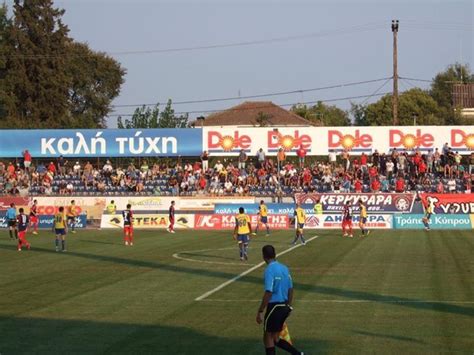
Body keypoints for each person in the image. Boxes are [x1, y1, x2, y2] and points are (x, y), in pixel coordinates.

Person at [256, 245, 303, 355]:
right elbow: (291, 288)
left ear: (263, 256)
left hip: (274, 307)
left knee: (268, 337)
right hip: (284, 306)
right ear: (275, 254)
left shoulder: (269, 270)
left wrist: (260, 311)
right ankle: (298, 354)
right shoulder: (284, 268)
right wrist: (289, 306)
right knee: (276, 338)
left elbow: (269, 291)